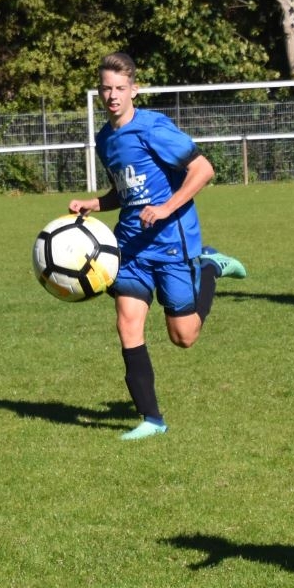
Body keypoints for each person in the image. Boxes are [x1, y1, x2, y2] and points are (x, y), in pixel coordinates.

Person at [68, 52, 246, 440]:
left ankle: (210, 266)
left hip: (171, 242)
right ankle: (152, 419)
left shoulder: (153, 128)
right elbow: (125, 192)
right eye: (106, 89)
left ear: (134, 89)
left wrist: (166, 208)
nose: (112, 96)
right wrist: (95, 203)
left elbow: (204, 169)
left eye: (120, 88)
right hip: (131, 246)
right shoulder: (105, 139)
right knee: (127, 323)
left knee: (184, 337)